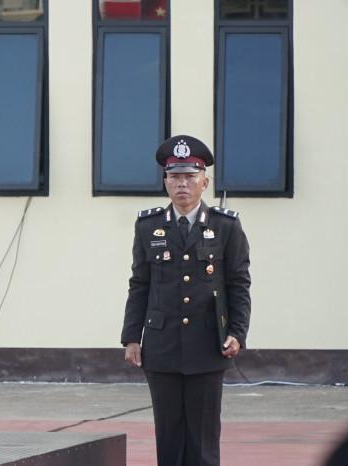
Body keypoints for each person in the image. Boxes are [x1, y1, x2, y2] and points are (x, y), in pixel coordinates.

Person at [120, 135, 251, 466]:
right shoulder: (148, 226)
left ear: (204, 182)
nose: (182, 184)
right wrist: (132, 337)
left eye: (190, 177)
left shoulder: (225, 226)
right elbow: (140, 284)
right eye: (175, 176)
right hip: (161, 346)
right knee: (169, 437)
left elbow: (238, 284)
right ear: (165, 182)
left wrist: (237, 333)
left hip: (208, 345)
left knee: (203, 439)